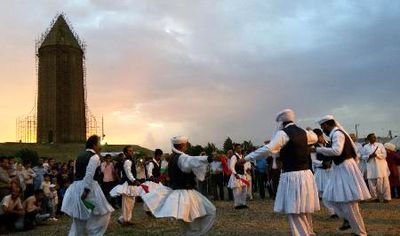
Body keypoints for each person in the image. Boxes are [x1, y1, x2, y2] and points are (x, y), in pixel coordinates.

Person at [244, 109, 319, 236]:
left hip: (292, 174)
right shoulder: (305, 133)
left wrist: (246, 158)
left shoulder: (283, 134)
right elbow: (315, 137)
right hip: (306, 174)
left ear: (281, 123)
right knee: (304, 208)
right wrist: (310, 130)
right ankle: (309, 232)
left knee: (294, 209)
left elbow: (268, 148)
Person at [142, 136, 216, 235]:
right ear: (182, 145)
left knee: (188, 220)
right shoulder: (182, 157)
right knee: (205, 213)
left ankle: (191, 233)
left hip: (178, 192)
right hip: (185, 192)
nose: (187, 145)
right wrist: (209, 158)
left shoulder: (173, 157)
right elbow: (193, 160)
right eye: (186, 143)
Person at [316, 115, 371, 236]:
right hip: (340, 168)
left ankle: (360, 232)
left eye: (322, 127)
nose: (323, 130)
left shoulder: (337, 134)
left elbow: (337, 151)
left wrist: (317, 150)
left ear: (326, 125)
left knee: (349, 204)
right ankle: (348, 220)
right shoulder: (335, 134)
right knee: (328, 197)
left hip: (345, 168)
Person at [61, 135, 114, 236]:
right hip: (89, 187)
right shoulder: (94, 157)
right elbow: (89, 175)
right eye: (99, 143)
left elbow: (76, 173)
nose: (100, 146)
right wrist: (86, 190)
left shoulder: (79, 156)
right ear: (94, 145)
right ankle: (95, 233)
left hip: (76, 186)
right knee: (102, 213)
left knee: (79, 217)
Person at [110, 146, 140, 225]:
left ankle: (124, 219)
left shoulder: (130, 160)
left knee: (131, 203)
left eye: (132, 151)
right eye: (130, 151)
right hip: (128, 183)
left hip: (131, 184)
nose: (132, 152)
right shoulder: (127, 161)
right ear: (125, 153)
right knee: (127, 203)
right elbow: (128, 172)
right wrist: (134, 180)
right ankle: (125, 220)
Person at [312, 128, 336, 218]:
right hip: (321, 172)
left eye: (320, 136)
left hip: (331, 171)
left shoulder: (329, 144)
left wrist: (331, 163)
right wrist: (322, 163)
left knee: (332, 191)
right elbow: (313, 160)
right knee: (323, 193)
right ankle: (332, 212)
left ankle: (336, 210)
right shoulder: (313, 147)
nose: (319, 138)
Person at [362, 133, 390, 203]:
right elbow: (362, 156)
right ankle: (374, 198)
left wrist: (376, 155)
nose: (374, 139)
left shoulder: (380, 145)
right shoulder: (365, 147)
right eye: (372, 138)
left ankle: (386, 198)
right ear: (368, 139)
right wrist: (369, 156)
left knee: (384, 183)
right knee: (371, 183)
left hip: (381, 167)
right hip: (371, 167)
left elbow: (384, 155)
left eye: (374, 137)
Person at [228, 144, 249, 209]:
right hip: (237, 175)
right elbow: (231, 166)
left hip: (243, 175)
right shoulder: (234, 157)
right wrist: (235, 174)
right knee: (237, 190)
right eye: (238, 148)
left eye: (240, 148)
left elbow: (244, 166)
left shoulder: (242, 156)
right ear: (235, 149)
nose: (239, 149)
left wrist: (245, 173)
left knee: (244, 190)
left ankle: (243, 203)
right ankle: (237, 204)